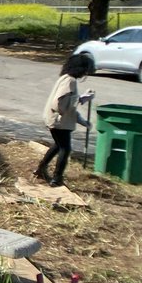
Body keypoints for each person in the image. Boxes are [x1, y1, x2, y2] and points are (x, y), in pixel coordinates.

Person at [35, 53, 94, 188]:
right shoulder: (70, 81)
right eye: (85, 69)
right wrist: (80, 99)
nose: (86, 73)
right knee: (65, 149)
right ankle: (57, 179)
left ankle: (41, 169)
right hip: (59, 122)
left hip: (55, 120)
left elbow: (68, 105)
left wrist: (82, 120)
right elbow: (59, 104)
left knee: (58, 145)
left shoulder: (65, 78)